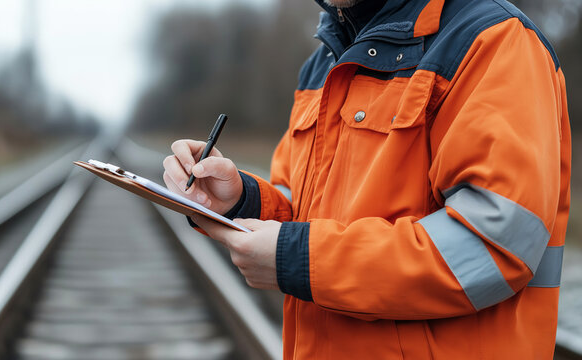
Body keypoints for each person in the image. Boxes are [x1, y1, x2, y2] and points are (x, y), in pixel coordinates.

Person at [162, 0, 570, 358]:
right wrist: (240, 201)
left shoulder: (494, 42)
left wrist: (302, 260)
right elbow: (302, 208)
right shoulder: (325, 62)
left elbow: (492, 245)